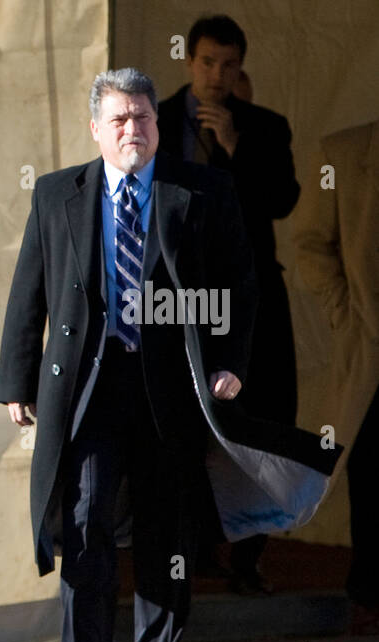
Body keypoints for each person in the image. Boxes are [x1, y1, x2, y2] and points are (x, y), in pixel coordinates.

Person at [0, 68, 337, 642]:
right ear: (96, 128)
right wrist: (17, 379)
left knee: (165, 531)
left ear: (158, 124)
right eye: (120, 119)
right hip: (89, 387)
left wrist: (231, 359)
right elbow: (29, 290)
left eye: (144, 117)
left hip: (170, 390)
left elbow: (242, 282)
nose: (133, 129)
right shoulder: (55, 194)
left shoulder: (202, 190)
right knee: (86, 520)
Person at [157, 14, 301, 594]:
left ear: (242, 67)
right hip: (176, 292)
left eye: (230, 65)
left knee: (262, 411)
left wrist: (237, 149)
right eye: (208, 63)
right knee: (177, 416)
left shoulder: (266, 127)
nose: (218, 76)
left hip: (251, 293)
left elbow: (283, 202)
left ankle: (248, 554)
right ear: (190, 61)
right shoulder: (158, 119)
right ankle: (185, 553)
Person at [296, 118, 379, 629]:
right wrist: (344, 309)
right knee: (369, 469)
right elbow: (310, 243)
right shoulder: (342, 151)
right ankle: (368, 593)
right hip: (369, 342)